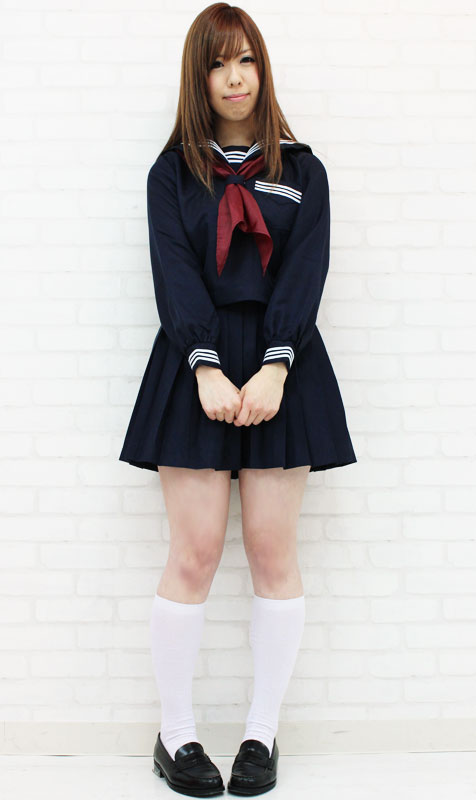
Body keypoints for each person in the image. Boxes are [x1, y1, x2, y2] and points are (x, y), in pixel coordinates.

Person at [119, 3, 357, 796]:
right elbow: (173, 272)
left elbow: (306, 271)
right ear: (199, 77)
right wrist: (206, 366)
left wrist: (278, 365)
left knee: (271, 551)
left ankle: (261, 734)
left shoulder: (303, 171)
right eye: (218, 62)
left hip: (285, 365)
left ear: (263, 69)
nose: (234, 77)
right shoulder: (171, 174)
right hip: (197, 366)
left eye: (246, 59)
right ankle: (177, 736)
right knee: (192, 553)